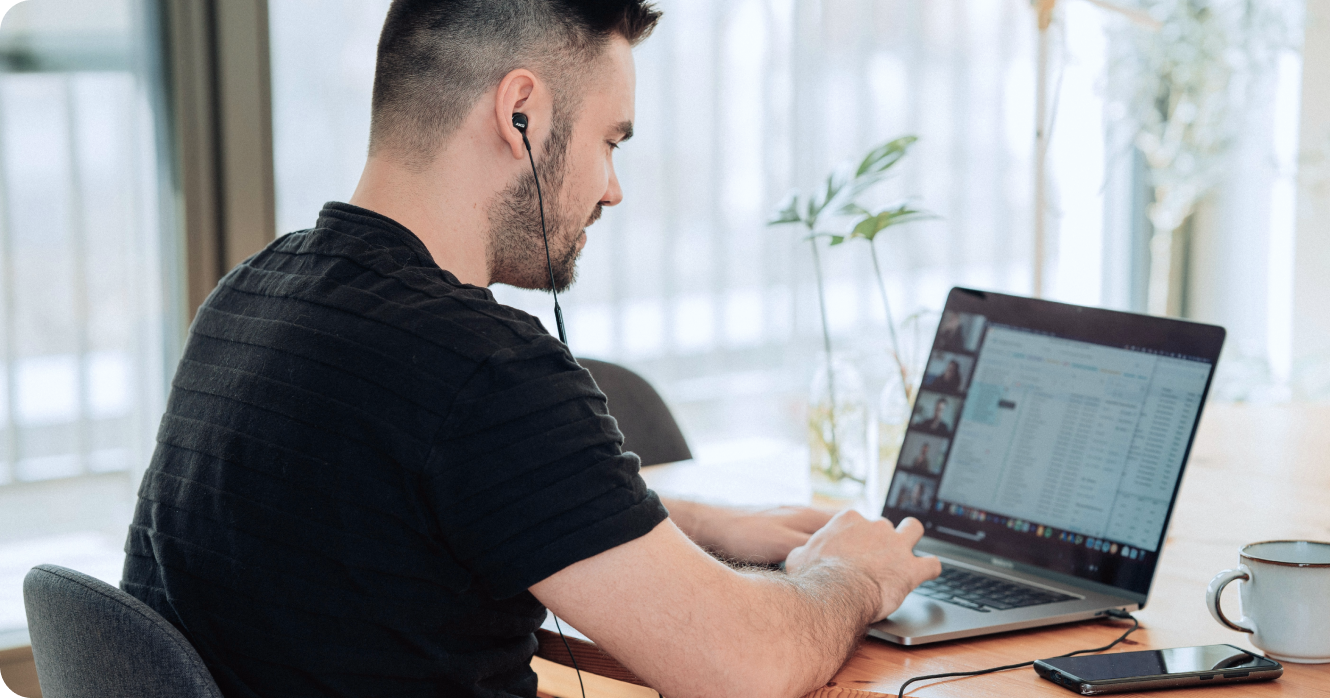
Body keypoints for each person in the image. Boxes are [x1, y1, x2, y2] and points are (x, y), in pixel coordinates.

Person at [120, 2, 940, 698]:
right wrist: (851, 573)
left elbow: (431, 510)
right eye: (611, 140)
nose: (613, 186)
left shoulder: (251, 295)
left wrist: (701, 526)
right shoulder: (481, 366)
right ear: (523, 114)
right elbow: (746, 668)